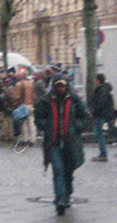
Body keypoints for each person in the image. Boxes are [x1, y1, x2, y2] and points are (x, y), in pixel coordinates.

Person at [34, 73, 90, 215]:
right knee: (58, 169)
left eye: (63, 85)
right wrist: (46, 126)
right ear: (54, 86)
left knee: (69, 170)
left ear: (66, 86)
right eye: (58, 85)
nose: (60, 89)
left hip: (71, 142)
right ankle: (60, 200)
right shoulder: (46, 100)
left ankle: (67, 193)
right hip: (53, 143)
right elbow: (38, 118)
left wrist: (76, 126)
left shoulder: (75, 100)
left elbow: (86, 118)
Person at [88, 73, 116, 162]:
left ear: (98, 81)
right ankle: (102, 153)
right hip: (101, 114)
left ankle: (103, 154)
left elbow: (100, 104)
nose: (94, 81)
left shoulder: (101, 90)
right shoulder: (104, 89)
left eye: (95, 80)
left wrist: (93, 112)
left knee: (99, 133)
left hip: (100, 115)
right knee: (98, 133)